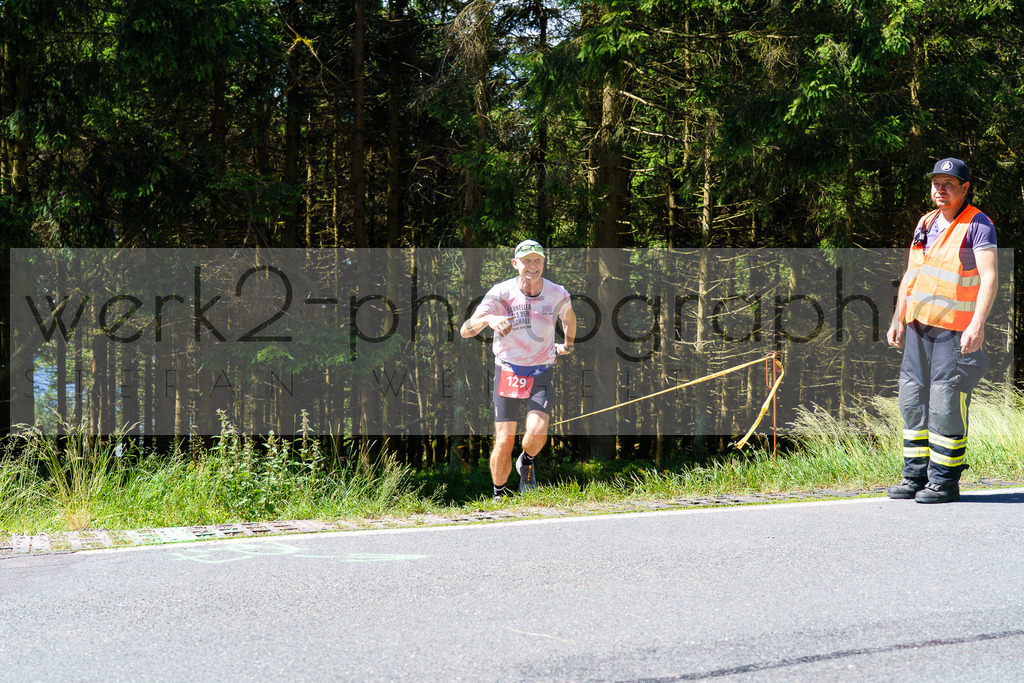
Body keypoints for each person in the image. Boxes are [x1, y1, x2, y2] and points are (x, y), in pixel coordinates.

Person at [886, 157, 998, 503]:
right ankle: (915, 475)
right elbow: (912, 273)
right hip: (919, 326)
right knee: (912, 398)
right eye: (936, 182)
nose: (940, 188)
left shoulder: (978, 225)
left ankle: (944, 481)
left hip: (956, 329)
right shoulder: (926, 222)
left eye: (948, 183)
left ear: (965, 188)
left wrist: (977, 324)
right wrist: (897, 317)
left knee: (945, 402)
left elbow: (990, 277)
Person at [460, 240, 576, 501]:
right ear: (515, 264)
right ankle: (498, 496)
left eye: (537, 261)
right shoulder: (501, 293)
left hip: (541, 370)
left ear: (544, 263)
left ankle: (527, 460)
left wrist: (567, 344)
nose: (532, 266)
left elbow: (569, 318)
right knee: (504, 441)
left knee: (534, 433)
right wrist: (490, 319)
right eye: (526, 261)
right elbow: (466, 330)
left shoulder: (557, 293)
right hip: (508, 372)